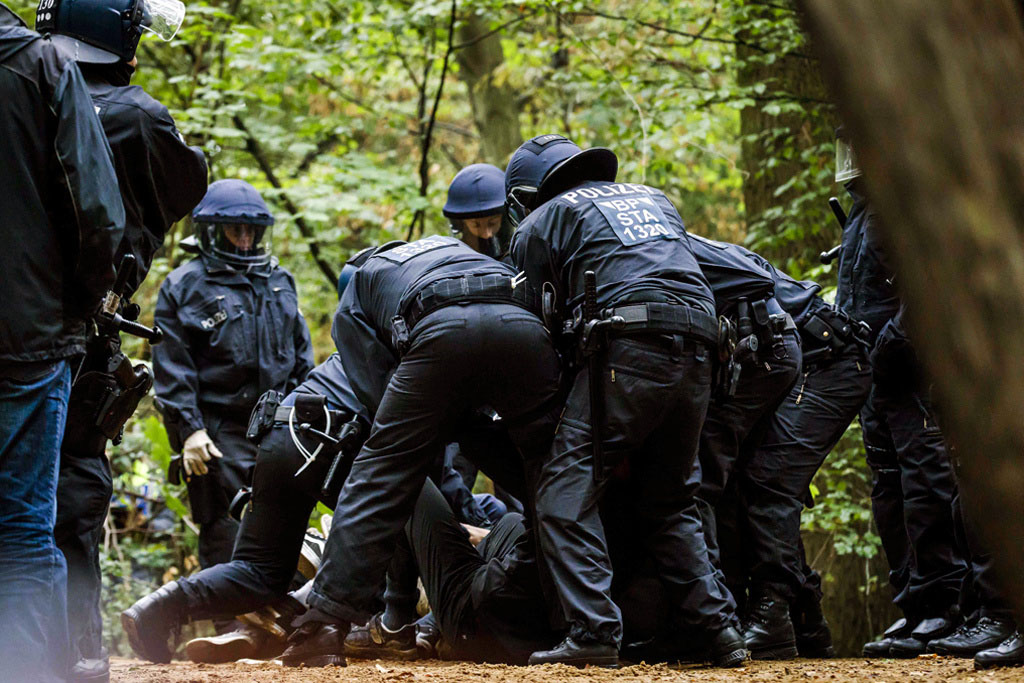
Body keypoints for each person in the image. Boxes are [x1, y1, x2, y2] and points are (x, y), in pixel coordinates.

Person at [507, 134, 746, 668]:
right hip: (703, 348)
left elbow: (530, 331)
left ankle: (592, 630)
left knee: (563, 492)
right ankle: (718, 630)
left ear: (527, 194)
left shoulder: (542, 220)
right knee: (671, 499)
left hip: (628, 347)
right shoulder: (655, 199)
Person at [277, 236, 563, 668]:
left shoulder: (361, 288)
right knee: (556, 469)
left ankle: (328, 623)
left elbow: (384, 415)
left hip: (486, 618)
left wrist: (428, 427)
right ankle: (593, 619)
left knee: (386, 468)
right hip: (520, 321)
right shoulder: (465, 255)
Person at [37, 1, 208, 679]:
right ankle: (78, 653)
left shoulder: (21, 89)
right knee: (75, 490)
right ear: (119, 35)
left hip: (24, 326)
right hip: (82, 334)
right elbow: (186, 181)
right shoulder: (136, 114)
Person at [0, 3, 125, 680]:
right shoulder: (44, 64)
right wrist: (80, 306)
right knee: (21, 534)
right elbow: (99, 213)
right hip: (29, 342)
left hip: (35, 337)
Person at [834, 129, 967, 657]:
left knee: (925, 483)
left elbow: (932, 288)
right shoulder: (864, 214)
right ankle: (915, 605)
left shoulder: (912, 205)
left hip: (909, 374)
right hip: (872, 378)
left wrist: (896, 344)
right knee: (889, 490)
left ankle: (946, 603)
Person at [711, 243, 872, 659]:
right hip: (804, 359)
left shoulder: (682, 255)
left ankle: (773, 618)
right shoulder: (678, 255)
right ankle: (806, 622)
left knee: (769, 480)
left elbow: (762, 279)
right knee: (753, 479)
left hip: (831, 359)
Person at [153, 179, 314, 578]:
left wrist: (306, 418)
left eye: (250, 231)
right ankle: (230, 634)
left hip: (279, 427)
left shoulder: (279, 281)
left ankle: (292, 636)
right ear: (211, 230)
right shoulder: (183, 286)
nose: (243, 239)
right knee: (227, 539)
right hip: (218, 433)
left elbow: (301, 359)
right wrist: (189, 431)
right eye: (233, 229)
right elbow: (173, 368)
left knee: (288, 537)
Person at [443, 163, 512, 259]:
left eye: (492, 223)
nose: (486, 234)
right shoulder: (456, 258)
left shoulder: (520, 253)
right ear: (460, 224)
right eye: (476, 225)